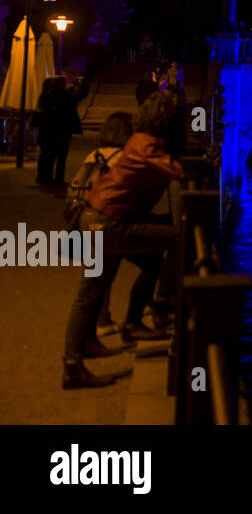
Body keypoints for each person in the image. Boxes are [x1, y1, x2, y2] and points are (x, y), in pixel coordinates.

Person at [61, 91, 191, 389]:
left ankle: (88, 344)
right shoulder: (147, 145)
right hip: (107, 223)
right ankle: (159, 305)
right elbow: (178, 171)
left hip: (97, 218)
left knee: (97, 287)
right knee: (177, 239)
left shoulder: (139, 139)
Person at [65, 112, 133, 344]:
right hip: (105, 218)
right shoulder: (122, 158)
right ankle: (101, 321)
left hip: (84, 217)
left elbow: (74, 185)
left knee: (93, 272)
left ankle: (97, 325)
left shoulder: (92, 155)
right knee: (102, 276)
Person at [35, 76, 88, 187]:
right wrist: (82, 85)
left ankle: (44, 177)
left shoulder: (47, 95)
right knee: (60, 155)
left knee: (50, 154)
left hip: (50, 129)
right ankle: (57, 178)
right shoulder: (65, 96)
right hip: (63, 129)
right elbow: (80, 96)